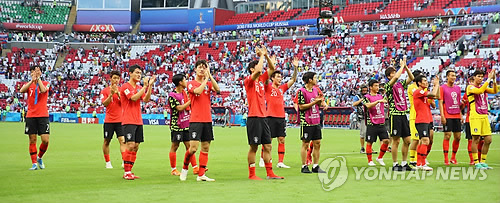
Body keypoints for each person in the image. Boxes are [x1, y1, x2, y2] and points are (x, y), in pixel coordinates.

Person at [244, 47, 283, 180]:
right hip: (254, 117)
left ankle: (270, 173)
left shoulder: (261, 81)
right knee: (254, 147)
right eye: (257, 66)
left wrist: (266, 56)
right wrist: (261, 56)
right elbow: (260, 69)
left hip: (263, 117)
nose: (259, 67)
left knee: (268, 145)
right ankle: (252, 174)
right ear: (251, 69)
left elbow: (272, 68)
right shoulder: (248, 81)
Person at [180, 59, 220, 182]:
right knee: (193, 148)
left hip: (207, 119)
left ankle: (201, 174)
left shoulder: (208, 83)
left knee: (206, 147)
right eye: (200, 67)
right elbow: (197, 91)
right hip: (196, 120)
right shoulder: (191, 83)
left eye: (204, 67)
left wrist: (210, 76)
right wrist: (205, 80)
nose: (202, 69)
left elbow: (218, 90)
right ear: (195, 69)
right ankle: (185, 168)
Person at [261, 57, 299, 169]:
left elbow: (293, 80)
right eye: (278, 77)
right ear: (272, 78)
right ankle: (263, 159)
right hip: (270, 116)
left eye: (281, 77)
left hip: (281, 117)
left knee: (281, 139)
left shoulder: (282, 88)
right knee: (268, 140)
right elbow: (266, 77)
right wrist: (271, 65)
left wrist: (295, 68)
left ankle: (280, 162)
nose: (280, 79)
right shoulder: (267, 87)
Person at [120, 65, 155, 180]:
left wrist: (149, 86)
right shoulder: (125, 86)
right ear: (130, 73)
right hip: (128, 120)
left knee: (136, 146)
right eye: (136, 72)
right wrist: (144, 87)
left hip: (138, 120)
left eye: (140, 73)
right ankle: (126, 172)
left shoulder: (140, 87)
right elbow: (133, 98)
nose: (139, 75)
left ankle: (130, 170)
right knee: (130, 145)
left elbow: (146, 99)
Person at [384, 59, 414, 171]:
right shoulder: (388, 85)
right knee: (396, 140)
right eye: (393, 72)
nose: (395, 73)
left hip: (403, 114)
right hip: (395, 114)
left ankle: (404, 163)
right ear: (388, 76)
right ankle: (395, 164)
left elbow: (411, 78)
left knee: (407, 140)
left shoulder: (400, 84)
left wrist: (405, 67)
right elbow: (396, 77)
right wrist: (402, 67)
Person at [19, 65, 50, 170]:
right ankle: (34, 164)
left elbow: (43, 90)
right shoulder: (29, 85)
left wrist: (38, 79)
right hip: (31, 115)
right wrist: (31, 81)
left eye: (39, 71)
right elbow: (21, 90)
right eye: (35, 71)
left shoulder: (46, 83)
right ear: (31, 72)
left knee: (45, 140)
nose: (37, 72)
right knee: (32, 140)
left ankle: (39, 157)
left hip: (43, 115)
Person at [467, 70, 497, 169]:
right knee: (476, 139)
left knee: (488, 139)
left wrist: (494, 80)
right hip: (475, 116)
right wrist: (488, 79)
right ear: (474, 77)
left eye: (482, 77)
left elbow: (495, 91)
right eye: (478, 76)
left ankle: (483, 161)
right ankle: (476, 162)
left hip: (484, 115)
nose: (480, 78)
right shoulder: (470, 87)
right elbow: (479, 91)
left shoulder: (483, 87)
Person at [168, 74, 198, 176]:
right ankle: (173, 169)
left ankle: (195, 167)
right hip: (177, 124)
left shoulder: (185, 93)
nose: (186, 81)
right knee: (175, 145)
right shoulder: (172, 95)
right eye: (185, 80)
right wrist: (190, 101)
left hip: (186, 123)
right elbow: (179, 108)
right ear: (180, 82)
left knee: (189, 145)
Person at [298, 72, 327, 174]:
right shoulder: (301, 91)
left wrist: (320, 104)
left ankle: (315, 165)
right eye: (315, 78)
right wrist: (314, 102)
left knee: (317, 143)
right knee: (305, 144)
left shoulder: (315, 90)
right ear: (310, 80)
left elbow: (317, 105)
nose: (316, 80)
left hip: (316, 120)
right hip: (306, 121)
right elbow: (301, 107)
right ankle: (304, 165)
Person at [100, 70, 126, 169]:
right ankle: (108, 162)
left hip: (120, 120)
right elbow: (105, 104)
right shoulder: (105, 91)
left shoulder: (122, 90)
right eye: (114, 78)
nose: (116, 80)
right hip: (109, 121)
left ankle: (124, 161)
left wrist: (118, 93)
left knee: (122, 141)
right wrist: (111, 94)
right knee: (107, 141)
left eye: (118, 78)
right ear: (110, 79)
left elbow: (124, 103)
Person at [413, 75, 439, 171]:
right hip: (421, 120)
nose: (426, 82)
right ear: (419, 83)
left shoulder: (423, 94)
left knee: (424, 141)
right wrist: (435, 85)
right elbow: (432, 95)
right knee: (425, 141)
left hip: (427, 120)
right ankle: (423, 163)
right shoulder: (418, 92)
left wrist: (437, 85)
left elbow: (436, 96)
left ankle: (419, 163)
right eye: (424, 81)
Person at [363, 79, 390, 166]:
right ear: (370, 87)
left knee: (386, 141)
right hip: (372, 123)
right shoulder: (366, 97)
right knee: (370, 142)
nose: (377, 88)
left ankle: (380, 158)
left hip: (381, 122)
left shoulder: (381, 96)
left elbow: (384, 103)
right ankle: (370, 160)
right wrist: (378, 102)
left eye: (378, 86)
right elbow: (368, 106)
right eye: (375, 86)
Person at [439, 70, 462, 165]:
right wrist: (442, 115)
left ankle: (453, 157)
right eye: (452, 75)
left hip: (456, 114)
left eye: (455, 75)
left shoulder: (458, 88)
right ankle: (446, 159)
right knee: (447, 136)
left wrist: (460, 115)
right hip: (447, 114)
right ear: (447, 77)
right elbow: (440, 102)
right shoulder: (442, 88)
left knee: (458, 137)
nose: (453, 77)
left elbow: (458, 102)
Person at [353, 85, 368, 153]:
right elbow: (354, 104)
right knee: (363, 133)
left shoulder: (369, 96)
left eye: (366, 90)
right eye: (363, 90)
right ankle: (362, 147)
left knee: (370, 133)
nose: (365, 92)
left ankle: (369, 147)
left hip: (370, 116)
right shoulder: (357, 96)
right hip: (362, 116)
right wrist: (361, 100)